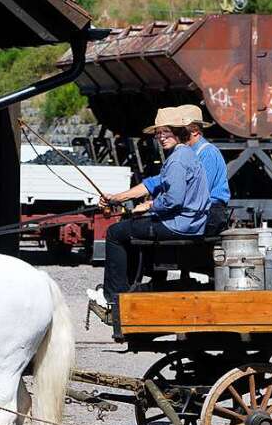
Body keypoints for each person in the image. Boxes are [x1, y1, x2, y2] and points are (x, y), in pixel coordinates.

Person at [88, 107, 210, 308]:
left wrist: (149, 206)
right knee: (129, 226)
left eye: (167, 132)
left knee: (114, 233)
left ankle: (112, 296)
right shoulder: (186, 154)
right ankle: (125, 288)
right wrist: (117, 198)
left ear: (178, 132)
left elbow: (174, 199)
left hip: (179, 225)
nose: (162, 137)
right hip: (188, 222)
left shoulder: (178, 160)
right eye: (159, 133)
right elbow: (155, 183)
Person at [174, 104, 230, 235]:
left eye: (180, 131)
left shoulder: (207, 153)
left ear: (194, 131)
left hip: (209, 212)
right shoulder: (188, 152)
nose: (176, 135)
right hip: (196, 210)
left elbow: (200, 190)